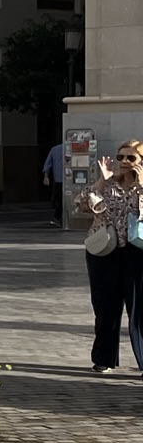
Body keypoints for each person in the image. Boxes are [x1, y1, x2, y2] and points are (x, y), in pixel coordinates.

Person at [76, 142, 143, 375]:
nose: (124, 161)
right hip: (105, 252)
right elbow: (82, 204)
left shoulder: (141, 188)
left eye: (131, 158)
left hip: (137, 253)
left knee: (139, 309)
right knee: (105, 307)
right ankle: (103, 358)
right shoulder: (108, 185)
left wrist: (141, 185)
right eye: (121, 156)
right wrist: (102, 180)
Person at [43, 141, 68, 227]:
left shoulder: (54, 149)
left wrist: (46, 176)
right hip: (68, 179)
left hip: (58, 179)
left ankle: (57, 217)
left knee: (59, 199)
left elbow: (48, 164)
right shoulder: (72, 149)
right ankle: (58, 217)